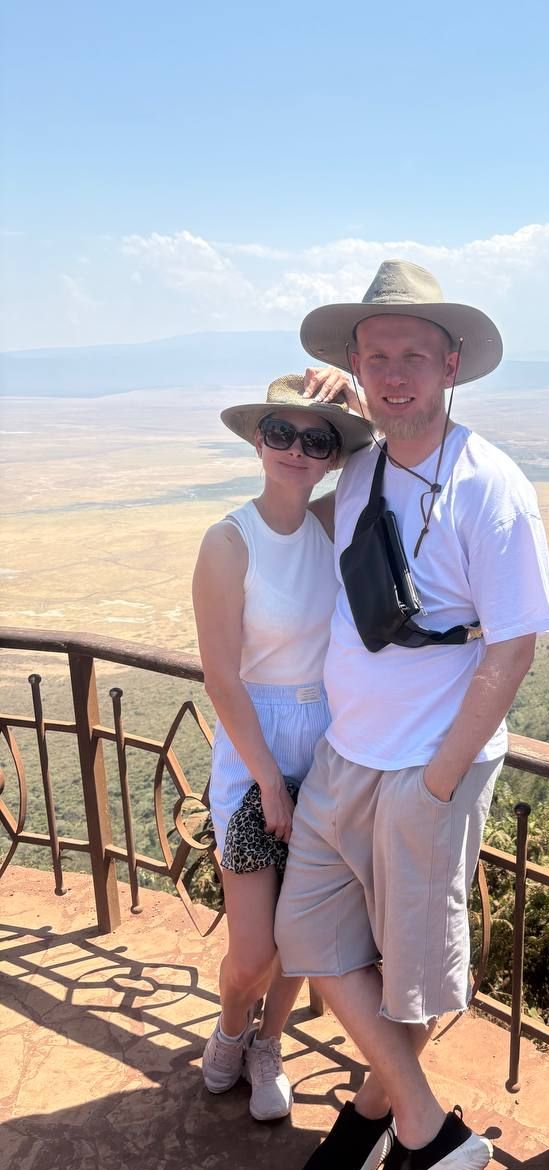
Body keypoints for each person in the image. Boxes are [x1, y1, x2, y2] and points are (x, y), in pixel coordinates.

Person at [275, 260, 549, 1170]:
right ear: (357, 368)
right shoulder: (359, 463)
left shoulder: (493, 488)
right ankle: (426, 1127)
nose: (394, 373)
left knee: (414, 970)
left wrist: (437, 784)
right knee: (308, 938)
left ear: (452, 365)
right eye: (376, 356)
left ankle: (375, 1118)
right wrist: (313, 426)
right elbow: (297, 522)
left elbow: (513, 648)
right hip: (346, 753)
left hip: (429, 765)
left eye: (413, 355)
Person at [194, 374, 368, 1121]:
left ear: (332, 455)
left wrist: (358, 403)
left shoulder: (332, 522)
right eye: (281, 432)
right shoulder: (229, 542)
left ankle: (269, 1044)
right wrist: (267, 779)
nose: (297, 449)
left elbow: (392, 461)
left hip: (325, 741)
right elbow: (221, 677)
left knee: (302, 929)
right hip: (254, 748)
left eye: (317, 438)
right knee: (254, 950)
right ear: (257, 441)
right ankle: (232, 1024)